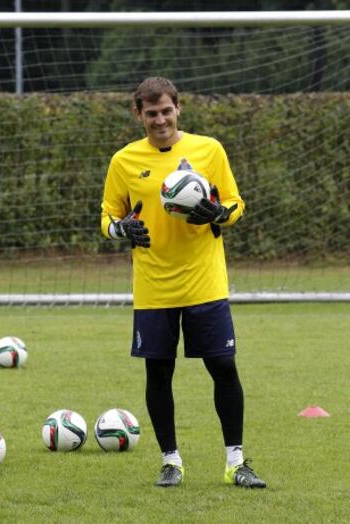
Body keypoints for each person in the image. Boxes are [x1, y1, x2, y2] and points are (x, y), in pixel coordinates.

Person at [101, 77, 266, 489]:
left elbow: (235, 204)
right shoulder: (123, 160)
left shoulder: (209, 150)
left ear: (179, 108)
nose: (160, 120)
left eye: (166, 111)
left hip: (205, 282)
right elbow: (107, 216)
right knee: (159, 373)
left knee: (224, 368)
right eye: (151, 113)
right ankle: (170, 462)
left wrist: (216, 214)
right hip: (154, 285)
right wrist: (122, 231)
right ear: (138, 114)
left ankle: (236, 463)